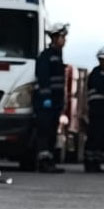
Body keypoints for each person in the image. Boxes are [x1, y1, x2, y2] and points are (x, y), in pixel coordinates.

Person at [33, 24, 68, 173]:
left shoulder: (58, 55)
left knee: (52, 132)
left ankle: (49, 161)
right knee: (45, 133)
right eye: (62, 37)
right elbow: (43, 79)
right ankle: (43, 162)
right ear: (55, 38)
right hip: (45, 102)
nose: (64, 40)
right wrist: (46, 98)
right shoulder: (47, 55)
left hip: (55, 102)